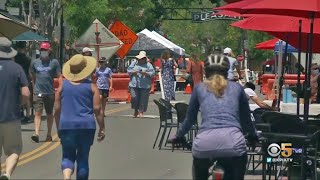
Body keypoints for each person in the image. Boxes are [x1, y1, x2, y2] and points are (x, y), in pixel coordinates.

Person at [171, 54, 258, 180]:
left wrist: (178, 136)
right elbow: (246, 121)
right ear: (227, 71)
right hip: (233, 143)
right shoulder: (237, 88)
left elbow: (189, 119)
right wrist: (253, 136)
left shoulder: (200, 88)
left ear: (205, 71)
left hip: (204, 144)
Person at [54, 54, 105, 180]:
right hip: (86, 125)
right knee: (83, 158)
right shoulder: (92, 87)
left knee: (67, 156)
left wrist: (58, 127)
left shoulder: (62, 87)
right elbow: (97, 109)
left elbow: (57, 109)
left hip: (66, 125)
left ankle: (66, 177)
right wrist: (102, 127)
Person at [0, 37, 30, 180]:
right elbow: (25, 93)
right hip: (11, 116)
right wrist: (20, 105)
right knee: (14, 150)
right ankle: (6, 173)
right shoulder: (17, 68)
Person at [30, 42, 61, 143]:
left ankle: (48, 134)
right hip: (38, 92)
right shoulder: (35, 62)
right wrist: (34, 89)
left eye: (45, 50)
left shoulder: (54, 62)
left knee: (49, 113)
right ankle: (36, 133)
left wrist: (60, 89)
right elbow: (33, 77)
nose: (43, 51)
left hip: (50, 93)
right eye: (41, 50)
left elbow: (59, 77)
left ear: (49, 51)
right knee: (37, 112)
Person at [127, 51, 155, 118]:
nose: (140, 60)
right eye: (139, 58)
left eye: (142, 58)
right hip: (134, 84)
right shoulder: (134, 63)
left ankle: (141, 111)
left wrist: (146, 73)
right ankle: (136, 110)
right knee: (134, 98)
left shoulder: (148, 65)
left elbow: (153, 73)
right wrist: (133, 72)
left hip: (145, 85)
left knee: (143, 99)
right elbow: (129, 70)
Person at [14, 41, 32, 123]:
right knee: (26, 96)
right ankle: (28, 115)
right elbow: (29, 70)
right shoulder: (28, 58)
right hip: (25, 77)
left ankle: (19, 112)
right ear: (24, 48)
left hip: (16, 77)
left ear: (17, 48)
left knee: (17, 96)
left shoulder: (15, 57)